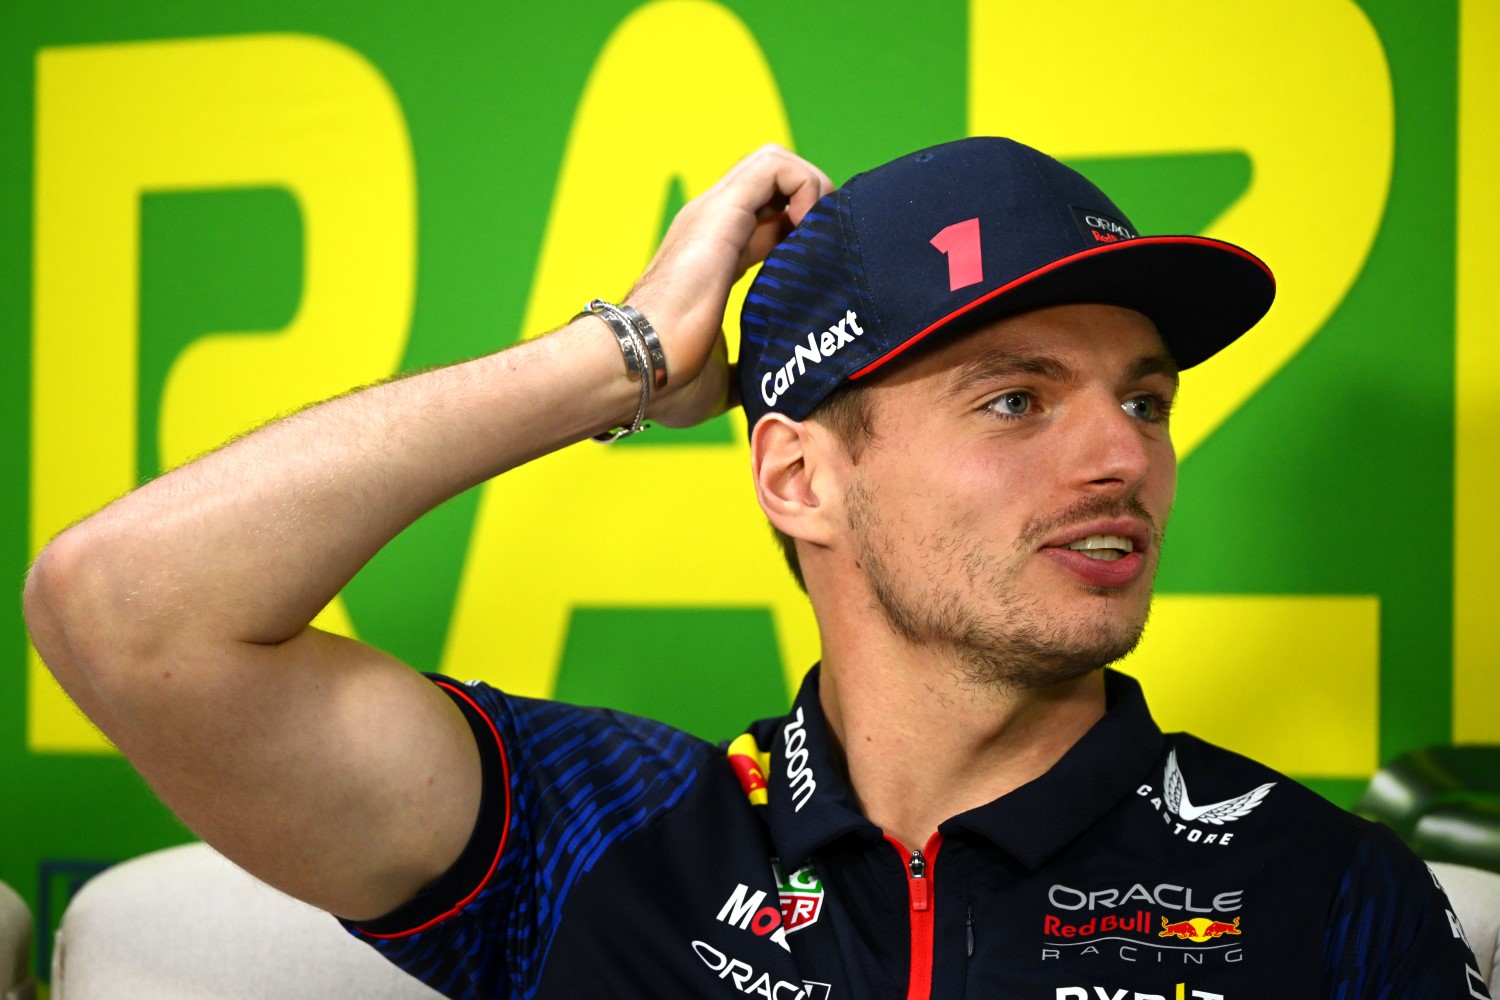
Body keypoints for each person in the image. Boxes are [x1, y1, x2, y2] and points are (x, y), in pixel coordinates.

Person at [23, 137, 1488, 998]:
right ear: (801, 478)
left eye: (1145, 398)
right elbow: (125, 611)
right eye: (1015, 398)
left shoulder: (1325, 892)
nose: (1122, 455)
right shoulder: (603, 839)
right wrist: (626, 355)